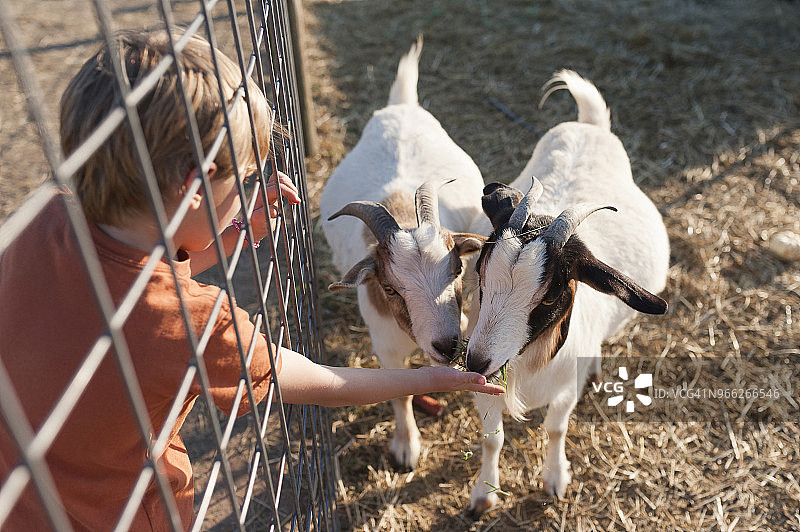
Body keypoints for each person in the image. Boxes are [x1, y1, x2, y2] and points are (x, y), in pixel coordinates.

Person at [0, 30, 502, 531]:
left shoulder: (44, 215)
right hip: (122, 516)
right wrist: (427, 378)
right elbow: (320, 380)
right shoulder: (196, 324)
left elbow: (123, 281)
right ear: (196, 186)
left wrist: (229, 233)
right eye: (241, 181)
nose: (249, 193)